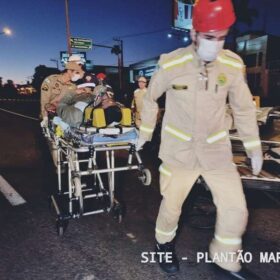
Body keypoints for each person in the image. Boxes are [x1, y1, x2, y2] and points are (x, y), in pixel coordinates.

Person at [137, 0, 263, 279]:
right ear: (194, 34)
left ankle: (226, 261)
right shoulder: (172, 63)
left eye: (220, 38)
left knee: (236, 208)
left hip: (216, 152)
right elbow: (150, 99)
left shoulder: (232, 64)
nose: (215, 45)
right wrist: (145, 133)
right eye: (209, 37)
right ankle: (163, 244)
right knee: (172, 206)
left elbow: (243, 107)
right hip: (178, 152)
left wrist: (253, 147)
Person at [56, 74, 122, 128]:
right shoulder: (95, 100)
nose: (88, 92)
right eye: (85, 90)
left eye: (91, 89)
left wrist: (73, 93)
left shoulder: (76, 114)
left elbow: (60, 106)